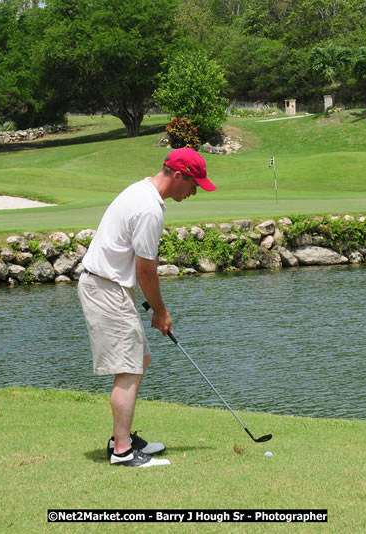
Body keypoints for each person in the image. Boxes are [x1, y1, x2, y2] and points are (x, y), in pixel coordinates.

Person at [77, 147, 216, 467]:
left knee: (140, 358)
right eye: (194, 184)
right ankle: (122, 451)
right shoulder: (150, 209)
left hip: (108, 285)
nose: (195, 192)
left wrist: (154, 309)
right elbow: (146, 271)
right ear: (178, 176)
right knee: (129, 367)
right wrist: (161, 311)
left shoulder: (141, 190)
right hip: (105, 288)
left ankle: (121, 436)